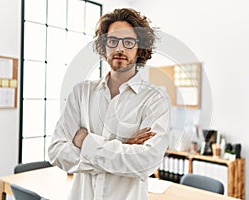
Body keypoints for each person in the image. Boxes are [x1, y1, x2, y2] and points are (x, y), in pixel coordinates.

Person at [48, 8, 171, 200]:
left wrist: (85, 142)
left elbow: (146, 163)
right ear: (104, 46)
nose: (120, 49)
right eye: (112, 41)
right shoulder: (81, 93)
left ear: (140, 49)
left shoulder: (155, 100)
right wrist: (123, 146)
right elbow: (56, 151)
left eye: (129, 42)